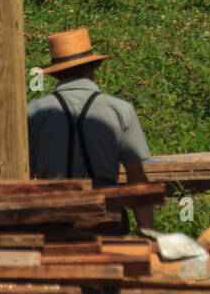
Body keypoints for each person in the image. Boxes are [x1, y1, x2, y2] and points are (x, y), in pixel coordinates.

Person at [28, 27, 157, 230]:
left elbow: (23, 177)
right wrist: (149, 233)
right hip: (107, 214)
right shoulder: (120, 109)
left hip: (53, 216)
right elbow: (137, 180)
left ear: (56, 74)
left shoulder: (33, 113)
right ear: (93, 67)